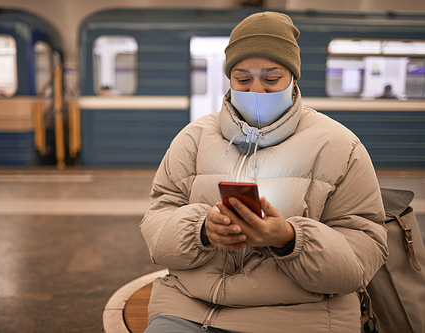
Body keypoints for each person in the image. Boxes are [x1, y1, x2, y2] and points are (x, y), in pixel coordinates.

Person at [140, 11, 388, 333]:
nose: (257, 90)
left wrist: (289, 239)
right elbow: (158, 222)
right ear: (229, 79)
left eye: (271, 79)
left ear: (293, 78)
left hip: (301, 315)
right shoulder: (194, 138)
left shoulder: (340, 146)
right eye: (243, 79)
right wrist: (202, 230)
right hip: (190, 308)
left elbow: (362, 255)